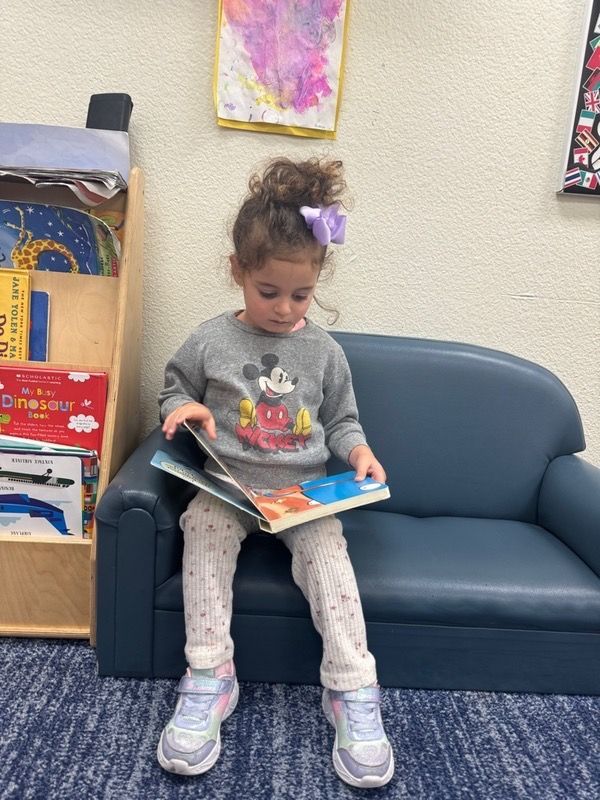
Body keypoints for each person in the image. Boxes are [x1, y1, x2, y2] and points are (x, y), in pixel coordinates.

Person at [156, 156, 394, 789]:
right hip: (228, 485)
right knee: (202, 528)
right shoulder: (209, 340)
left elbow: (342, 421)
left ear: (317, 282)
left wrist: (359, 452)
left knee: (327, 553)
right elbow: (172, 391)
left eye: (300, 295)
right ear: (238, 270)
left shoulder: (324, 352)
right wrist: (184, 408)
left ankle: (351, 687)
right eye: (269, 292)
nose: (285, 309)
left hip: (301, 491)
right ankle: (210, 674)